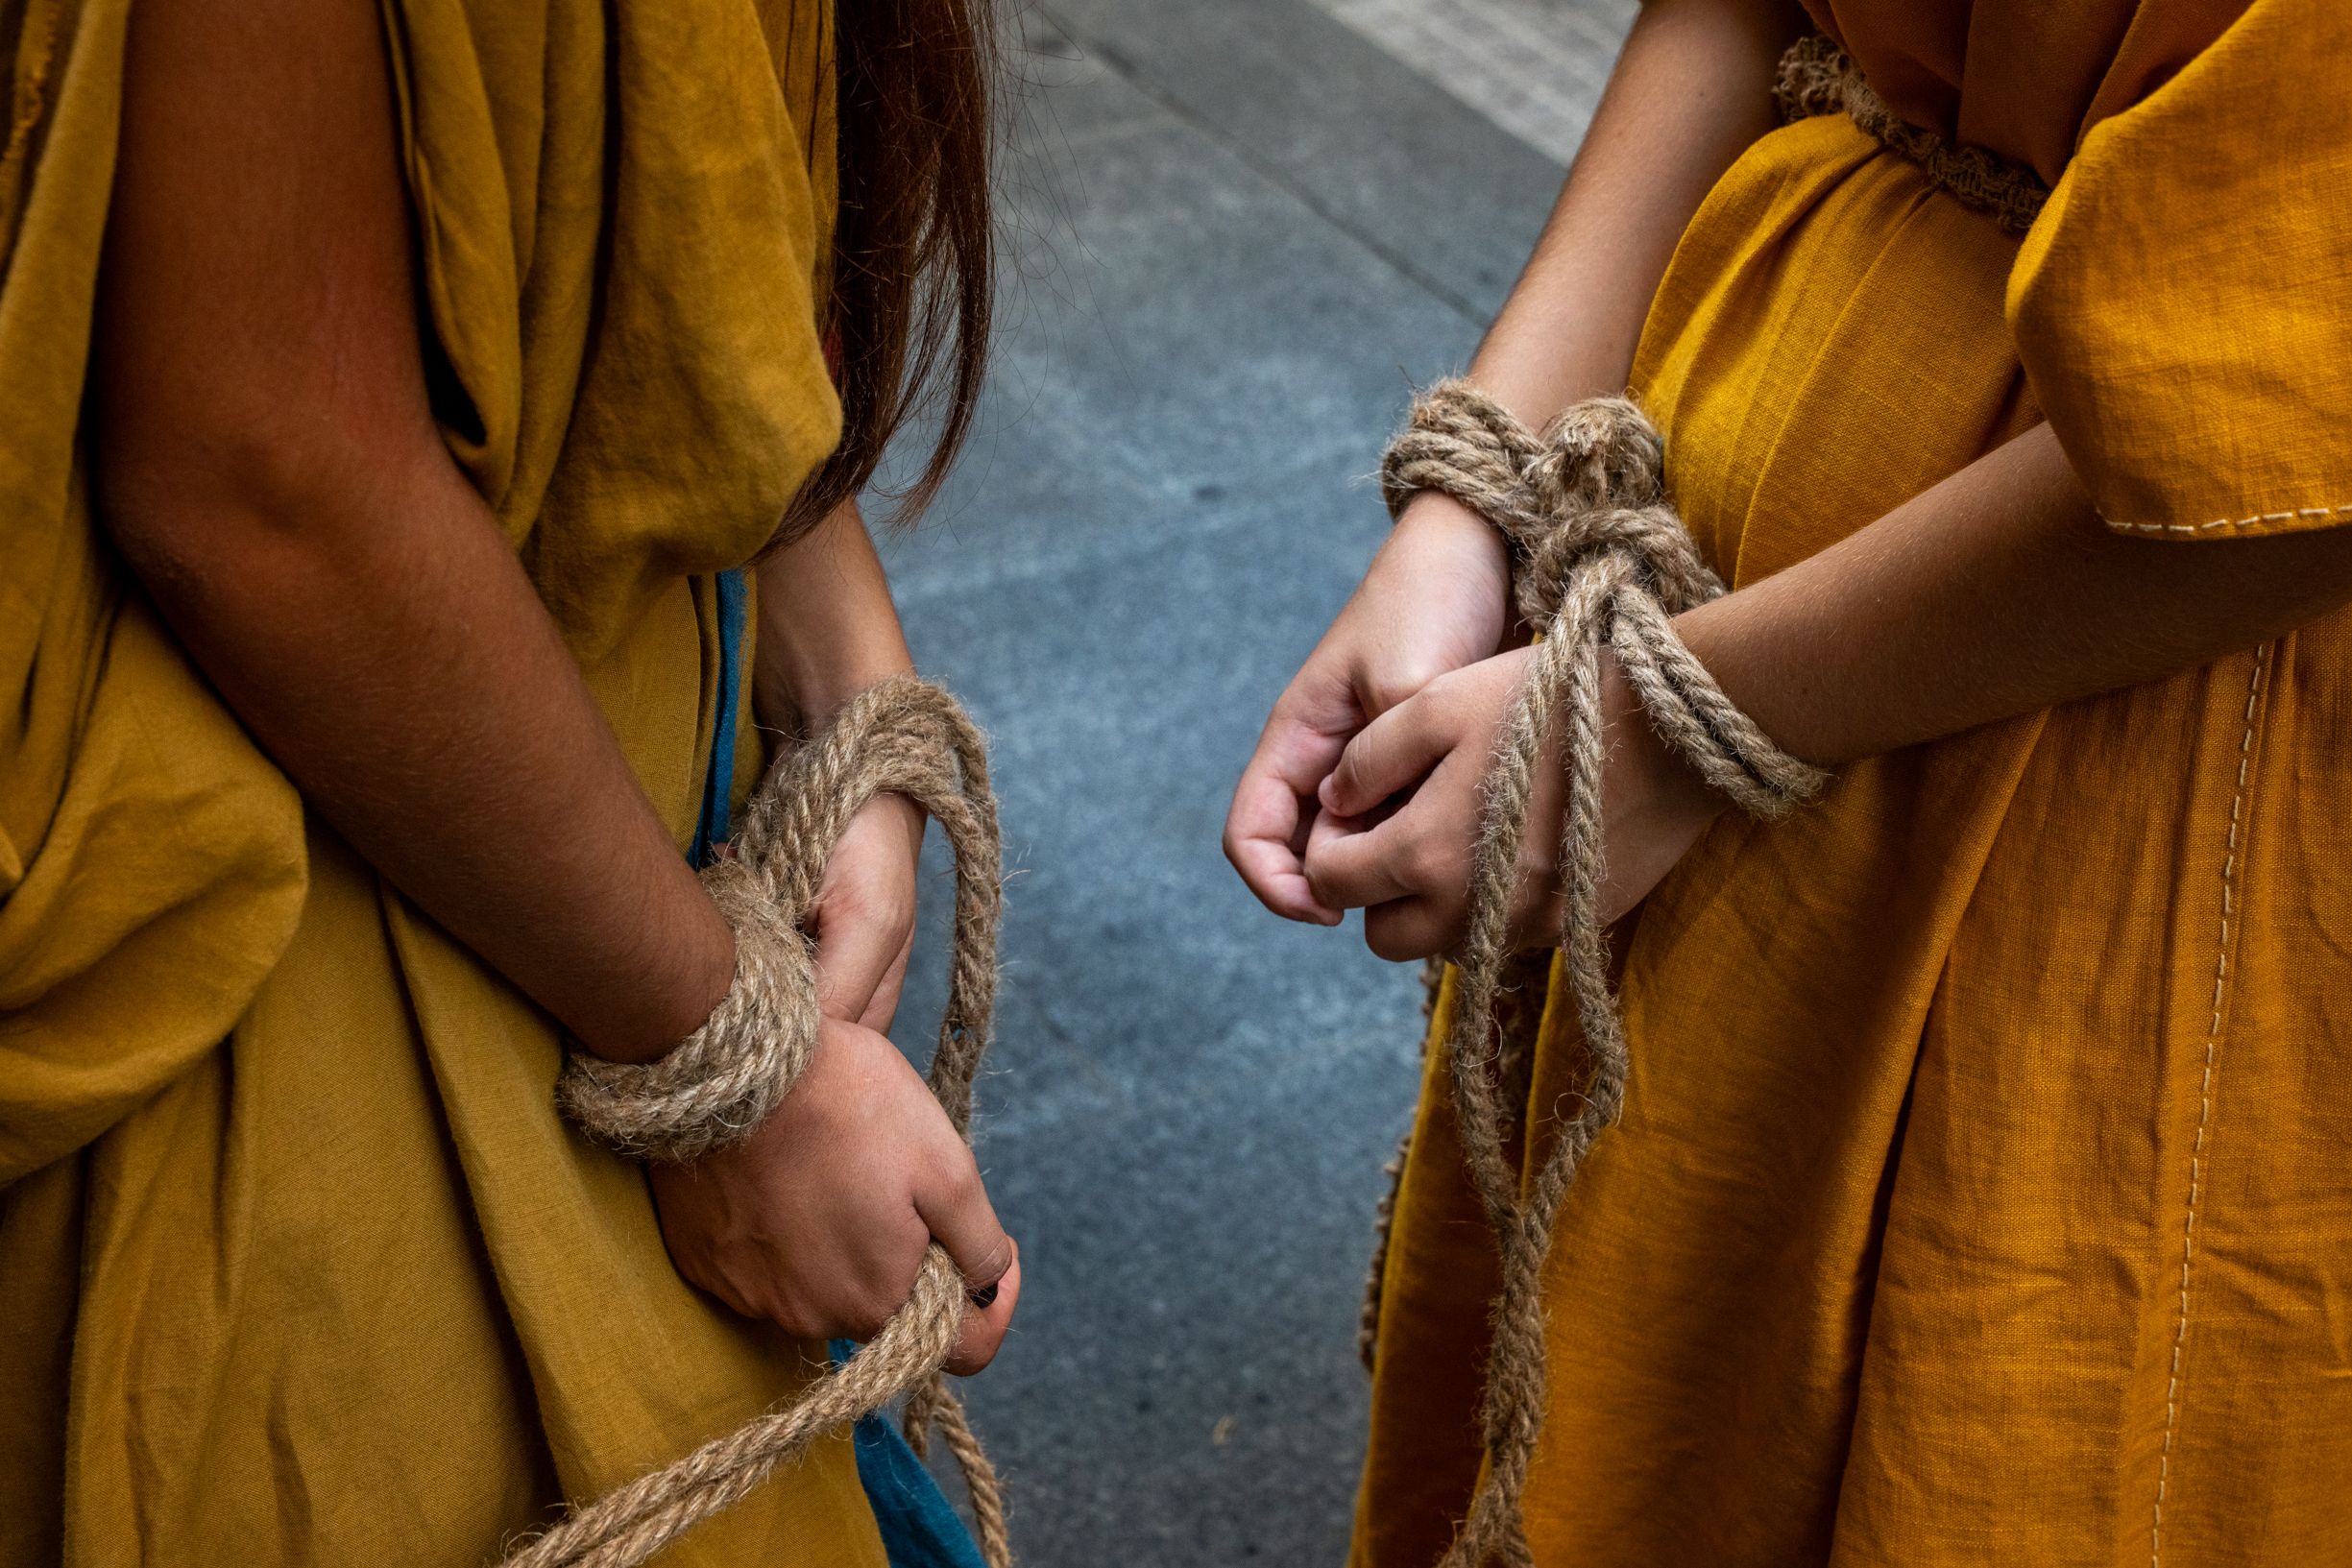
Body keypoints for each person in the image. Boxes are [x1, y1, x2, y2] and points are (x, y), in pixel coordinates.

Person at [1227, 0, 2352, 1560]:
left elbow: (2299, 442)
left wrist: (1684, 716)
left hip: (2122, 729)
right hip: (1733, 657)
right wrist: (1476, 492)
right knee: (1659, 1394)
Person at [0, 0, 1021, 1561]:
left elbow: (677, 200)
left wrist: (835, 640)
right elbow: (268, 468)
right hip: (317, 922)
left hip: (577, 825)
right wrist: (732, 1073)